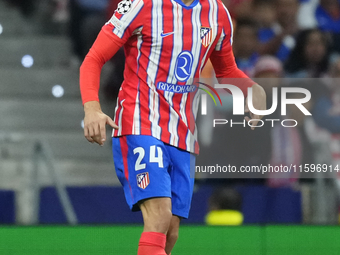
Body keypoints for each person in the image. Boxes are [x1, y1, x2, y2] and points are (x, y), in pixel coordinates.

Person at [79, 0, 266, 254]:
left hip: (183, 134)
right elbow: (95, 57)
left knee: (170, 231)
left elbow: (227, 69)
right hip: (140, 122)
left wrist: (251, 88)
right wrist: (92, 108)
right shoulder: (141, 5)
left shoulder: (217, 12)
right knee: (159, 214)